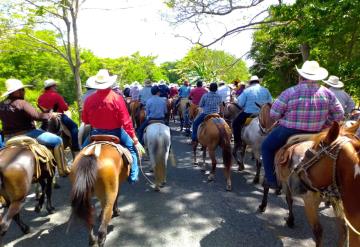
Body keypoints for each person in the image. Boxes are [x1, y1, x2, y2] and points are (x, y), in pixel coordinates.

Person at [262, 61, 344, 188]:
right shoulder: (328, 93)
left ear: (300, 76)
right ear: (317, 77)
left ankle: (271, 180)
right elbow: (339, 114)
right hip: (317, 133)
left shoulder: (290, 92)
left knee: (266, 147)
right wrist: (324, 124)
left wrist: (284, 117)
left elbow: (274, 114)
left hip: (289, 130)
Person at [82, 69, 144, 184]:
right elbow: (126, 121)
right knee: (132, 150)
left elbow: (85, 120)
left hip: (95, 133)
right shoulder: (117, 98)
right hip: (116, 132)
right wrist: (134, 138)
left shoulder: (89, 99)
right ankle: (133, 176)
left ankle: (77, 173)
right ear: (109, 83)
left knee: (82, 151)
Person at [0, 79, 70, 176]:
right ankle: (63, 169)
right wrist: (50, 115)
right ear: (15, 92)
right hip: (28, 133)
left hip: (8, 138)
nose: (23, 92)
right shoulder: (22, 103)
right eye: (21, 90)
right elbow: (37, 116)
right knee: (58, 140)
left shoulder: (1, 104)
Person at [38, 79, 80, 151]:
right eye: (55, 86)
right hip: (59, 116)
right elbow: (65, 108)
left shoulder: (40, 97)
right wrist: (65, 105)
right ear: (51, 87)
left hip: (45, 118)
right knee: (74, 127)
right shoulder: (56, 96)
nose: (56, 88)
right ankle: (75, 147)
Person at [232, 75, 272, 149]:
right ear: (258, 82)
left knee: (235, 123)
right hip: (264, 115)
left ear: (250, 83)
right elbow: (270, 102)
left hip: (249, 114)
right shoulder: (266, 90)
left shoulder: (246, 91)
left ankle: (238, 143)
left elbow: (240, 104)